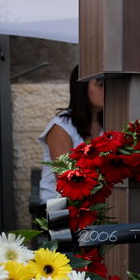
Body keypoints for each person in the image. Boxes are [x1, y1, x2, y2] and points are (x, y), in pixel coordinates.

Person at [38, 67, 105, 204]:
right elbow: (65, 179)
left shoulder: (107, 122)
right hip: (60, 209)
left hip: (95, 205)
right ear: (81, 87)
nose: (107, 90)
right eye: (100, 85)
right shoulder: (61, 126)